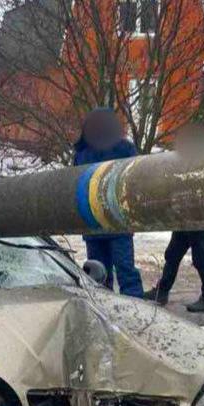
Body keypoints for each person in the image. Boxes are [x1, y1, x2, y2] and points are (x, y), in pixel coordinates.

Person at [143, 122, 204, 312]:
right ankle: (162, 291)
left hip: (199, 218)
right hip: (184, 217)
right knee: (173, 254)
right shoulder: (184, 163)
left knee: (201, 259)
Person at [73, 107, 143, 297]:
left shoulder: (124, 149)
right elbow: (76, 185)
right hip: (93, 224)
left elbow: (134, 180)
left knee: (125, 269)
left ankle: (136, 308)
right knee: (98, 273)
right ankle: (103, 308)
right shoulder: (82, 152)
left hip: (118, 221)